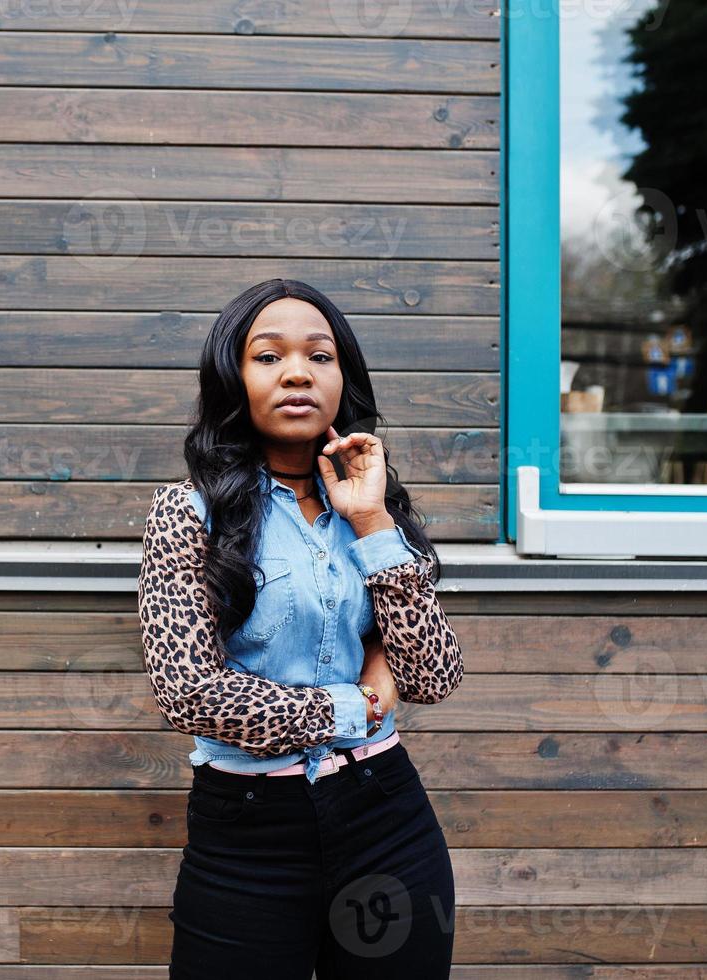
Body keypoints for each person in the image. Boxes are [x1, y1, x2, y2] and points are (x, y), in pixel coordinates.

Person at [136, 278, 465, 978]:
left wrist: (372, 522)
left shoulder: (377, 509)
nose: (295, 372)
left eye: (319, 356)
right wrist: (359, 704)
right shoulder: (186, 513)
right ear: (233, 378)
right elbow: (191, 694)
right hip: (247, 834)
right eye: (267, 357)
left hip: (387, 820)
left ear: (342, 379)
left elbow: (432, 675)